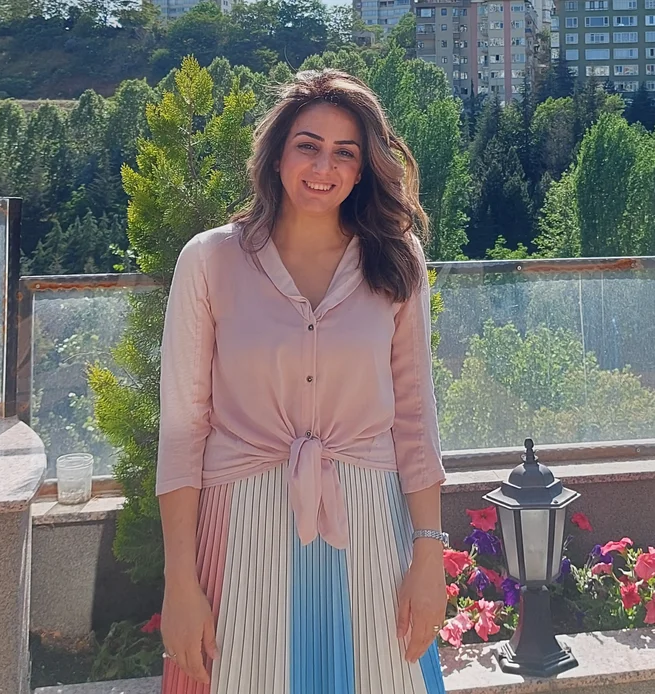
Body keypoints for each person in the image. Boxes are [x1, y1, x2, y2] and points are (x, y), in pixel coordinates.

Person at [155, 69, 448, 694]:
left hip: (371, 524)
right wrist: (180, 580)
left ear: (365, 168)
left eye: (346, 152)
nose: (325, 165)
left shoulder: (398, 259)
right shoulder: (209, 260)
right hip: (238, 528)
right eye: (308, 145)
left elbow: (415, 418)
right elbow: (183, 429)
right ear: (278, 154)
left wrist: (429, 553)